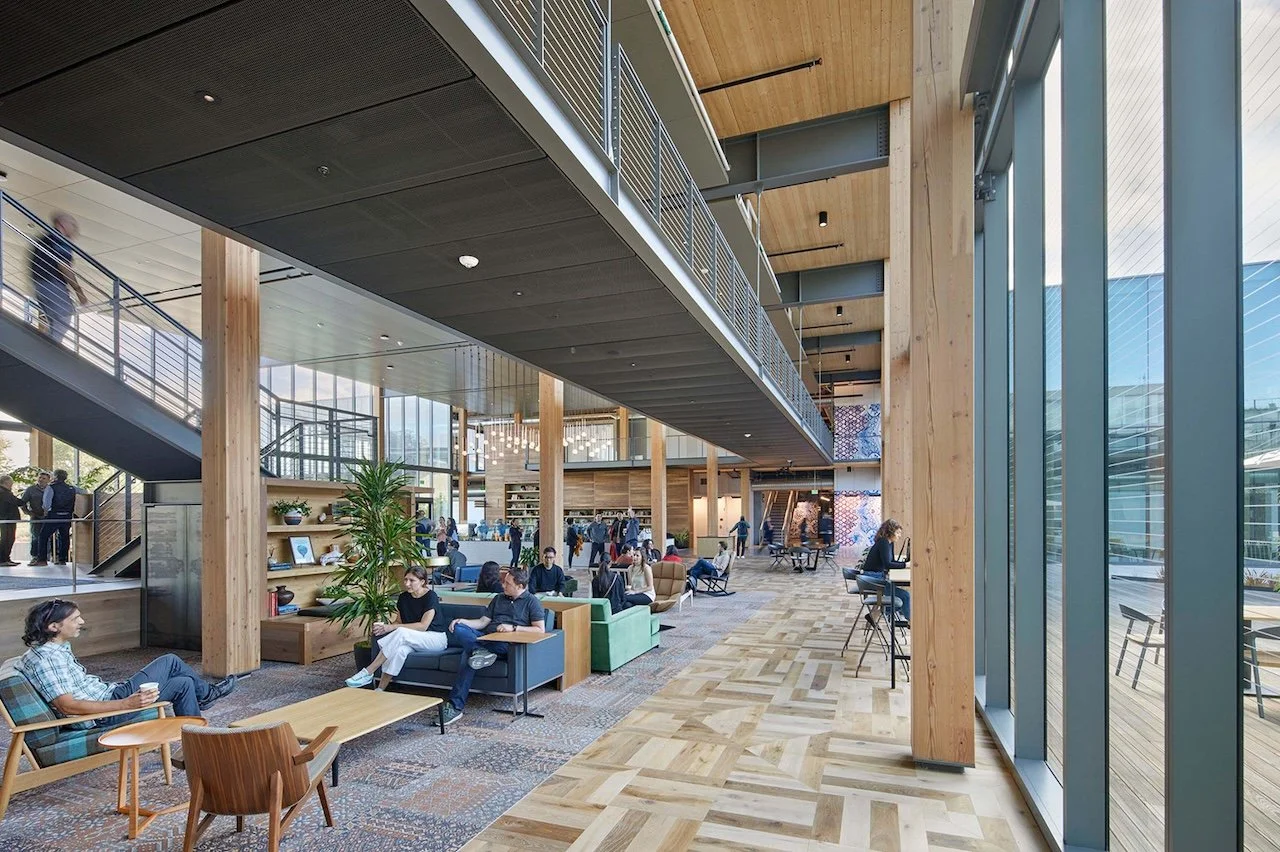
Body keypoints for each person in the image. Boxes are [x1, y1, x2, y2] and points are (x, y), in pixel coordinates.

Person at [17, 599, 236, 724]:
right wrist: (126, 703)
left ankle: (197, 747)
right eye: (74, 619)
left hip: (109, 694)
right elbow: (67, 705)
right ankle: (208, 695)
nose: (81, 622)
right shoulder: (48, 659)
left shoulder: (52, 649)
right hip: (106, 712)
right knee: (170, 661)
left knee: (184, 684)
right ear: (53, 627)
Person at [440, 566, 545, 724]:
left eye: (508, 583)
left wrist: (514, 628)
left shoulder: (532, 602)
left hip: (504, 643)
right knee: (459, 628)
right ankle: (479, 651)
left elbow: (540, 630)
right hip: (485, 637)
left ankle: (455, 707)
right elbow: (483, 622)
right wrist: (464, 621)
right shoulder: (498, 598)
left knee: (467, 655)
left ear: (520, 586)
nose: (503, 585)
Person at [346, 566, 447, 690]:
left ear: (422, 582)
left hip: (435, 638)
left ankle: (368, 671)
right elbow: (398, 621)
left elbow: (423, 626)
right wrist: (384, 627)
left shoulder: (430, 596)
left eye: (412, 580)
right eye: (405, 580)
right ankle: (380, 689)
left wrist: (392, 628)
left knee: (401, 632)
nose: (407, 584)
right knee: (399, 651)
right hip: (413, 639)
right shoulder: (403, 597)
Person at [29, 212, 87, 343]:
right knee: (64, 315)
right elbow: (64, 266)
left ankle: (46, 348)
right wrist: (79, 292)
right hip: (52, 284)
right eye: (72, 224)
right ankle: (49, 351)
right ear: (63, 224)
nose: (75, 228)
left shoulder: (44, 238)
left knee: (55, 320)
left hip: (40, 286)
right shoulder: (60, 240)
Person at [860, 519, 911, 622]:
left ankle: (876, 614)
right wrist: (905, 565)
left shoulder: (889, 542)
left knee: (901, 597)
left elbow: (891, 561)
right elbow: (888, 564)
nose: (899, 536)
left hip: (877, 578)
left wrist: (902, 564)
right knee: (905, 596)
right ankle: (911, 623)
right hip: (872, 579)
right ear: (890, 532)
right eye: (897, 533)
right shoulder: (883, 542)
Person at [33, 469, 82, 567]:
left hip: (54, 515)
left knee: (43, 536)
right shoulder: (72, 488)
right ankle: (62, 559)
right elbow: (84, 491)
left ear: (55, 477)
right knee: (64, 537)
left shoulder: (51, 487)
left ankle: (42, 559)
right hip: (67, 516)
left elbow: (46, 503)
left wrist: (45, 512)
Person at [20, 472, 49, 561]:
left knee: (48, 537)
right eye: (40, 477)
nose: (41, 479)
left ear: (48, 480)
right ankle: (35, 556)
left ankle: (47, 556)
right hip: (35, 516)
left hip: (48, 517)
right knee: (35, 536)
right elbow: (22, 502)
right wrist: (28, 512)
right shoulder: (30, 489)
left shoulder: (50, 489)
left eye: (44, 478)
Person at [0, 476, 19, 567]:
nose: (12, 484)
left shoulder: (5, 492)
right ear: (6, 482)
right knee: (7, 539)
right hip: (7, 519)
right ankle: (3, 559)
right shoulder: (4, 493)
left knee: (9, 538)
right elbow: (16, 501)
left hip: (7, 519)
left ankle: (6, 558)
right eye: (11, 482)